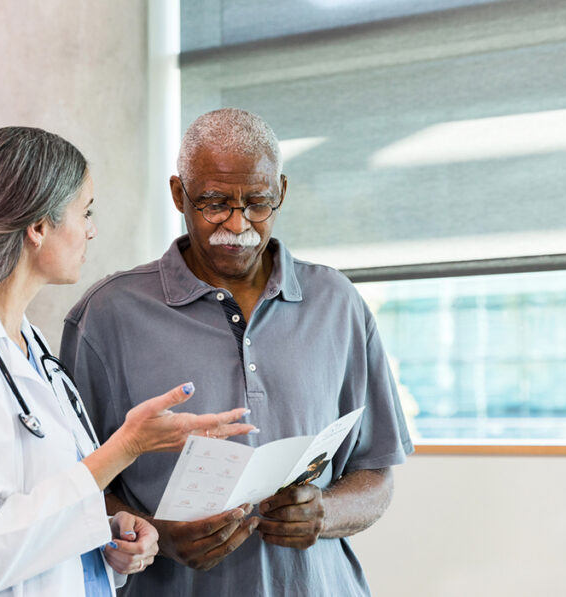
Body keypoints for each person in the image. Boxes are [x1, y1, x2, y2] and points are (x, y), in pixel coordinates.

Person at [0, 126, 255, 597]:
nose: (91, 229)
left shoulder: (28, 345)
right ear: (38, 227)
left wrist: (108, 535)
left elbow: (39, 515)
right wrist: (125, 448)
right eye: (85, 212)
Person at [61, 108, 414, 597]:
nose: (237, 223)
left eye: (257, 203)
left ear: (282, 193)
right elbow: (71, 488)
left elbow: (376, 475)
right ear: (178, 194)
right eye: (214, 202)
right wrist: (156, 535)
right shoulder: (107, 315)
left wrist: (324, 513)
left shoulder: (338, 303)